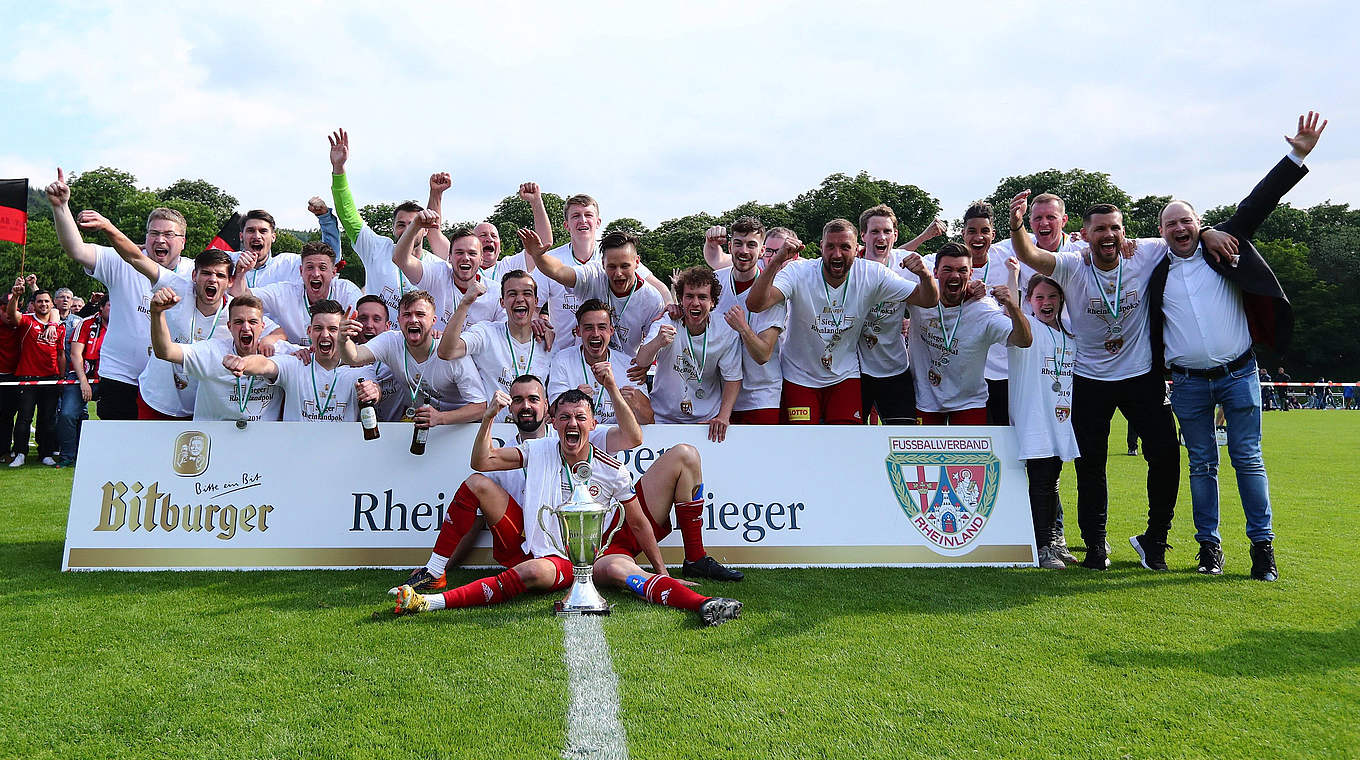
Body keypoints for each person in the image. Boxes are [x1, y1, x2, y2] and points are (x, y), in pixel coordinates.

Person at [1008, 191, 1236, 571]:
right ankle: (1096, 545)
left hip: (1142, 376)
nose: (1108, 235)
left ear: (1125, 232)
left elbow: (1184, 234)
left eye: (1115, 228)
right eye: (1099, 229)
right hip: (1090, 378)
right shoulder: (1071, 264)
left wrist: (1209, 231)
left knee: (1165, 456)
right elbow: (1032, 257)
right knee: (1090, 466)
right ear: (1084, 234)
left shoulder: (1145, 252)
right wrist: (1017, 225)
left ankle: (1156, 541)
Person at [1146, 111, 1325, 581]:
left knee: (1248, 461)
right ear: (1161, 232)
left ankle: (1262, 550)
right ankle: (1210, 550)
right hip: (1186, 384)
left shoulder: (1224, 243)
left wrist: (1297, 154)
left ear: (1200, 222)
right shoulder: (1155, 268)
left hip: (1239, 374)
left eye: (1187, 221)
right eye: (1170, 225)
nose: (1180, 229)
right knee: (1202, 465)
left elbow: (1262, 198)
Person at [391, 388, 741, 625]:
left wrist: (661, 571)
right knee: (524, 560)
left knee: (624, 572)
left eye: (580, 418)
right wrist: (488, 418)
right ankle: (434, 589)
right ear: (554, 423)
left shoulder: (611, 467)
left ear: (592, 424)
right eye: (565, 418)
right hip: (553, 553)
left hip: (601, 550)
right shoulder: (538, 450)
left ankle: (703, 604)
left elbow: (637, 523)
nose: (572, 424)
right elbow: (481, 461)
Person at [73, 210, 283, 420]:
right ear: (194, 275)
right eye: (206, 274)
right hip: (156, 398)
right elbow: (135, 258)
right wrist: (108, 227)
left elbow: (277, 331)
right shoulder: (179, 288)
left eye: (220, 275)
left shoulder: (235, 313)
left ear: (229, 282)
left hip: (198, 406)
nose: (212, 280)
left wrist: (271, 340)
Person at [746, 219, 938, 424]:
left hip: (844, 376)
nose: (837, 254)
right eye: (830, 246)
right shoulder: (799, 272)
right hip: (799, 375)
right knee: (803, 444)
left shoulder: (872, 274)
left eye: (845, 247)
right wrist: (776, 261)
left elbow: (927, 300)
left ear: (857, 249)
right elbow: (756, 304)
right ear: (821, 247)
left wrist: (925, 275)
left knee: (846, 443)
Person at [46, 168, 194, 419]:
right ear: (146, 237)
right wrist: (61, 208)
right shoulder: (121, 260)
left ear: (183, 241)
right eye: (154, 233)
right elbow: (77, 250)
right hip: (121, 376)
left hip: (170, 383)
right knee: (120, 452)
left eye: (169, 234)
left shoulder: (193, 273)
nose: (160, 240)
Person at [328, 128, 451, 322]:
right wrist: (339, 169)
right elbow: (348, 215)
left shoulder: (437, 266)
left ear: (425, 229)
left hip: (420, 348)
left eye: (414, 224)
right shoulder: (377, 249)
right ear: (393, 228)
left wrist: (436, 195)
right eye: (401, 224)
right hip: (379, 345)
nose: (407, 229)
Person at [907, 244, 1031, 424]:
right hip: (926, 400)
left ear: (971, 273)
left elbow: (1024, 340)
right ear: (935, 272)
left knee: (972, 454)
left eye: (962, 270)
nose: (955, 275)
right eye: (947, 269)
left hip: (969, 402)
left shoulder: (983, 309)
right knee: (925, 454)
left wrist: (1012, 306)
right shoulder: (920, 297)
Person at [1007, 264, 1079, 568]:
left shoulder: (1069, 336)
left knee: (1053, 480)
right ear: (1029, 301)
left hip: (1060, 421)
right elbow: (1011, 312)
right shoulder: (1027, 327)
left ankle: (1054, 540)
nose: (1046, 302)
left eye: (1052, 296)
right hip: (1033, 419)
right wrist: (1012, 280)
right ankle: (1042, 545)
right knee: (1041, 482)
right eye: (1039, 297)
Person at [338, 290, 486, 428]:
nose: (413, 320)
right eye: (407, 314)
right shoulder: (391, 341)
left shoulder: (450, 354)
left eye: (420, 314)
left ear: (433, 320)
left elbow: (480, 407)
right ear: (399, 320)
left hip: (461, 427)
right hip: (422, 423)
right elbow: (354, 357)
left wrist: (441, 418)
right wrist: (343, 339)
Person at [631, 266, 743, 441]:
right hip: (663, 418)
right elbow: (642, 360)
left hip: (706, 421)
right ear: (681, 300)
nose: (695, 303)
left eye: (702, 297)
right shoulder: (667, 321)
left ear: (713, 302)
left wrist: (723, 416)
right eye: (689, 296)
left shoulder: (725, 331)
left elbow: (733, 377)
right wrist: (657, 342)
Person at [223, 300, 381, 422]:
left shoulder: (360, 370)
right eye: (319, 328)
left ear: (343, 333)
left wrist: (373, 392)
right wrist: (243, 363)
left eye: (333, 329)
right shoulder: (296, 364)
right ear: (309, 331)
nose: (325, 335)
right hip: (296, 456)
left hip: (341, 454)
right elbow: (264, 364)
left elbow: (375, 390)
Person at [857, 206, 943, 425]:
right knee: (849, 439)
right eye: (874, 232)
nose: (881, 237)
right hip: (855, 369)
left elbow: (947, 281)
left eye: (887, 231)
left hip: (894, 367)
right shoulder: (850, 266)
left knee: (902, 436)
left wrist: (971, 290)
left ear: (895, 235)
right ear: (863, 235)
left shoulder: (907, 263)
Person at [522, 228, 665, 359]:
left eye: (625, 266)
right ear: (602, 263)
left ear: (637, 262)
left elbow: (651, 346)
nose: (618, 274)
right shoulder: (593, 276)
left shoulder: (651, 300)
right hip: (584, 363)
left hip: (624, 369)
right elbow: (560, 271)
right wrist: (538, 257)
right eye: (612, 267)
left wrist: (642, 365)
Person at [151, 292, 283, 422]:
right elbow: (165, 352)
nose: (246, 327)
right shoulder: (212, 352)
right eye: (239, 322)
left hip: (262, 437)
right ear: (229, 327)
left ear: (263, 327)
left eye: (253, 322)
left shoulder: (280, 352)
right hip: (214, 437)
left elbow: (299, 363)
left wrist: (303, 353)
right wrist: (157, 314)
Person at [437, 269, 552, 419]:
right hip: (494, 434)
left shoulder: (548, 341)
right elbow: (446, 352)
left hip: (534, 433)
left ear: (536, 301)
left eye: (527, 293)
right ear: (502, 302)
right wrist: (465, 303)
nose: (520, 299)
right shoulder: (486, 333)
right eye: (512, 294)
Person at [713, 220, 787, 424]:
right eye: (738, 243)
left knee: (763, 456)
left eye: (751, 245)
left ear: (762, 250)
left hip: (760, 395)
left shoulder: (773, 291)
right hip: (720, 393)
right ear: (730, 247)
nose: (744, 251)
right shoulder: (714, 282)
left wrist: (743, 328)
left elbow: (763, 354)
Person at [233, 242, 362, 346]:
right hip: (297, 362)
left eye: (322, 268)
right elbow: (241, 298)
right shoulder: (285, 292)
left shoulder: (347, 292)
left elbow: (366, 325)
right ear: (301, 271)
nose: (315, 274)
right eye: (310, 267)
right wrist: (240, 273)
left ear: (334, 272)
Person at [548, 299, 653, 425]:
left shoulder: (628, 365)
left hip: (620, 437)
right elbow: (553, 411)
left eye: (602, 327)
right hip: (579, 435)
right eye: (588, 328)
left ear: (611, 330)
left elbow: (649, 419)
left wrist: (636, 404)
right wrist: (575, 398)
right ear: (578, 331)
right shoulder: (562, 360)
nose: (595, 334)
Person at [392, 212, 504, 329]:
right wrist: (415, 225)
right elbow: (400, 259)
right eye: (459, 252)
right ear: (449, 257)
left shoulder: (496, 293)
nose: (465, 258)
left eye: (472, 253)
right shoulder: (437, 274)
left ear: (481, 259)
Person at [8, 281, 65, 467]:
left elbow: (61, 353)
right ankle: (20, 453)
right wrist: (16, 296)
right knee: (24, 418)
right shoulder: (27, 320)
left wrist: (61, 378)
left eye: (47, 302)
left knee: (47, 419)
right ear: (34, 303)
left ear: (51, 304)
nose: (44, 305)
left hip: (51, 378)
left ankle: (46, 453)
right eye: (40, 301)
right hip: (28, 378)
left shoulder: (58, 326)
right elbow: (12, 315)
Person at [228, 209, 341, 289]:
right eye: (250, 230)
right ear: (241, 236)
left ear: (273, 237)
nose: (257, 236)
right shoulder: (227, 261)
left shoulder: (289, 264)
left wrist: (325, 218)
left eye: (263, 231)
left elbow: (329, 258)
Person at [64, 296, 108, 465]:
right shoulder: (86, 323)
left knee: (113, 415)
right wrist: (83, 382)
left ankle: (104, 454)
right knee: (67, 414)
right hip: (82, 375)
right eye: (111, 306)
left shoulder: (124, 322)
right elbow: (76, 354)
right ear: (101, 308)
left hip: (111, 377)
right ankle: (67, 456)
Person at [350, 294, 406, 422]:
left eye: (376, 319)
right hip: (353, 432)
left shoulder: (400, 354)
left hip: (394, 431)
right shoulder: (344, 358)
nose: (369, 325)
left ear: (387, 326)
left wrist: (434, 334)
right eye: (363, 318)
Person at [0, 291, 20, 464]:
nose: (8, 314)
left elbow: (51, 311)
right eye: (5, 309)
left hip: (12, 377)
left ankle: (4, 450)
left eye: (12, 309)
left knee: (7, 415)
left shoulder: (19, 323)